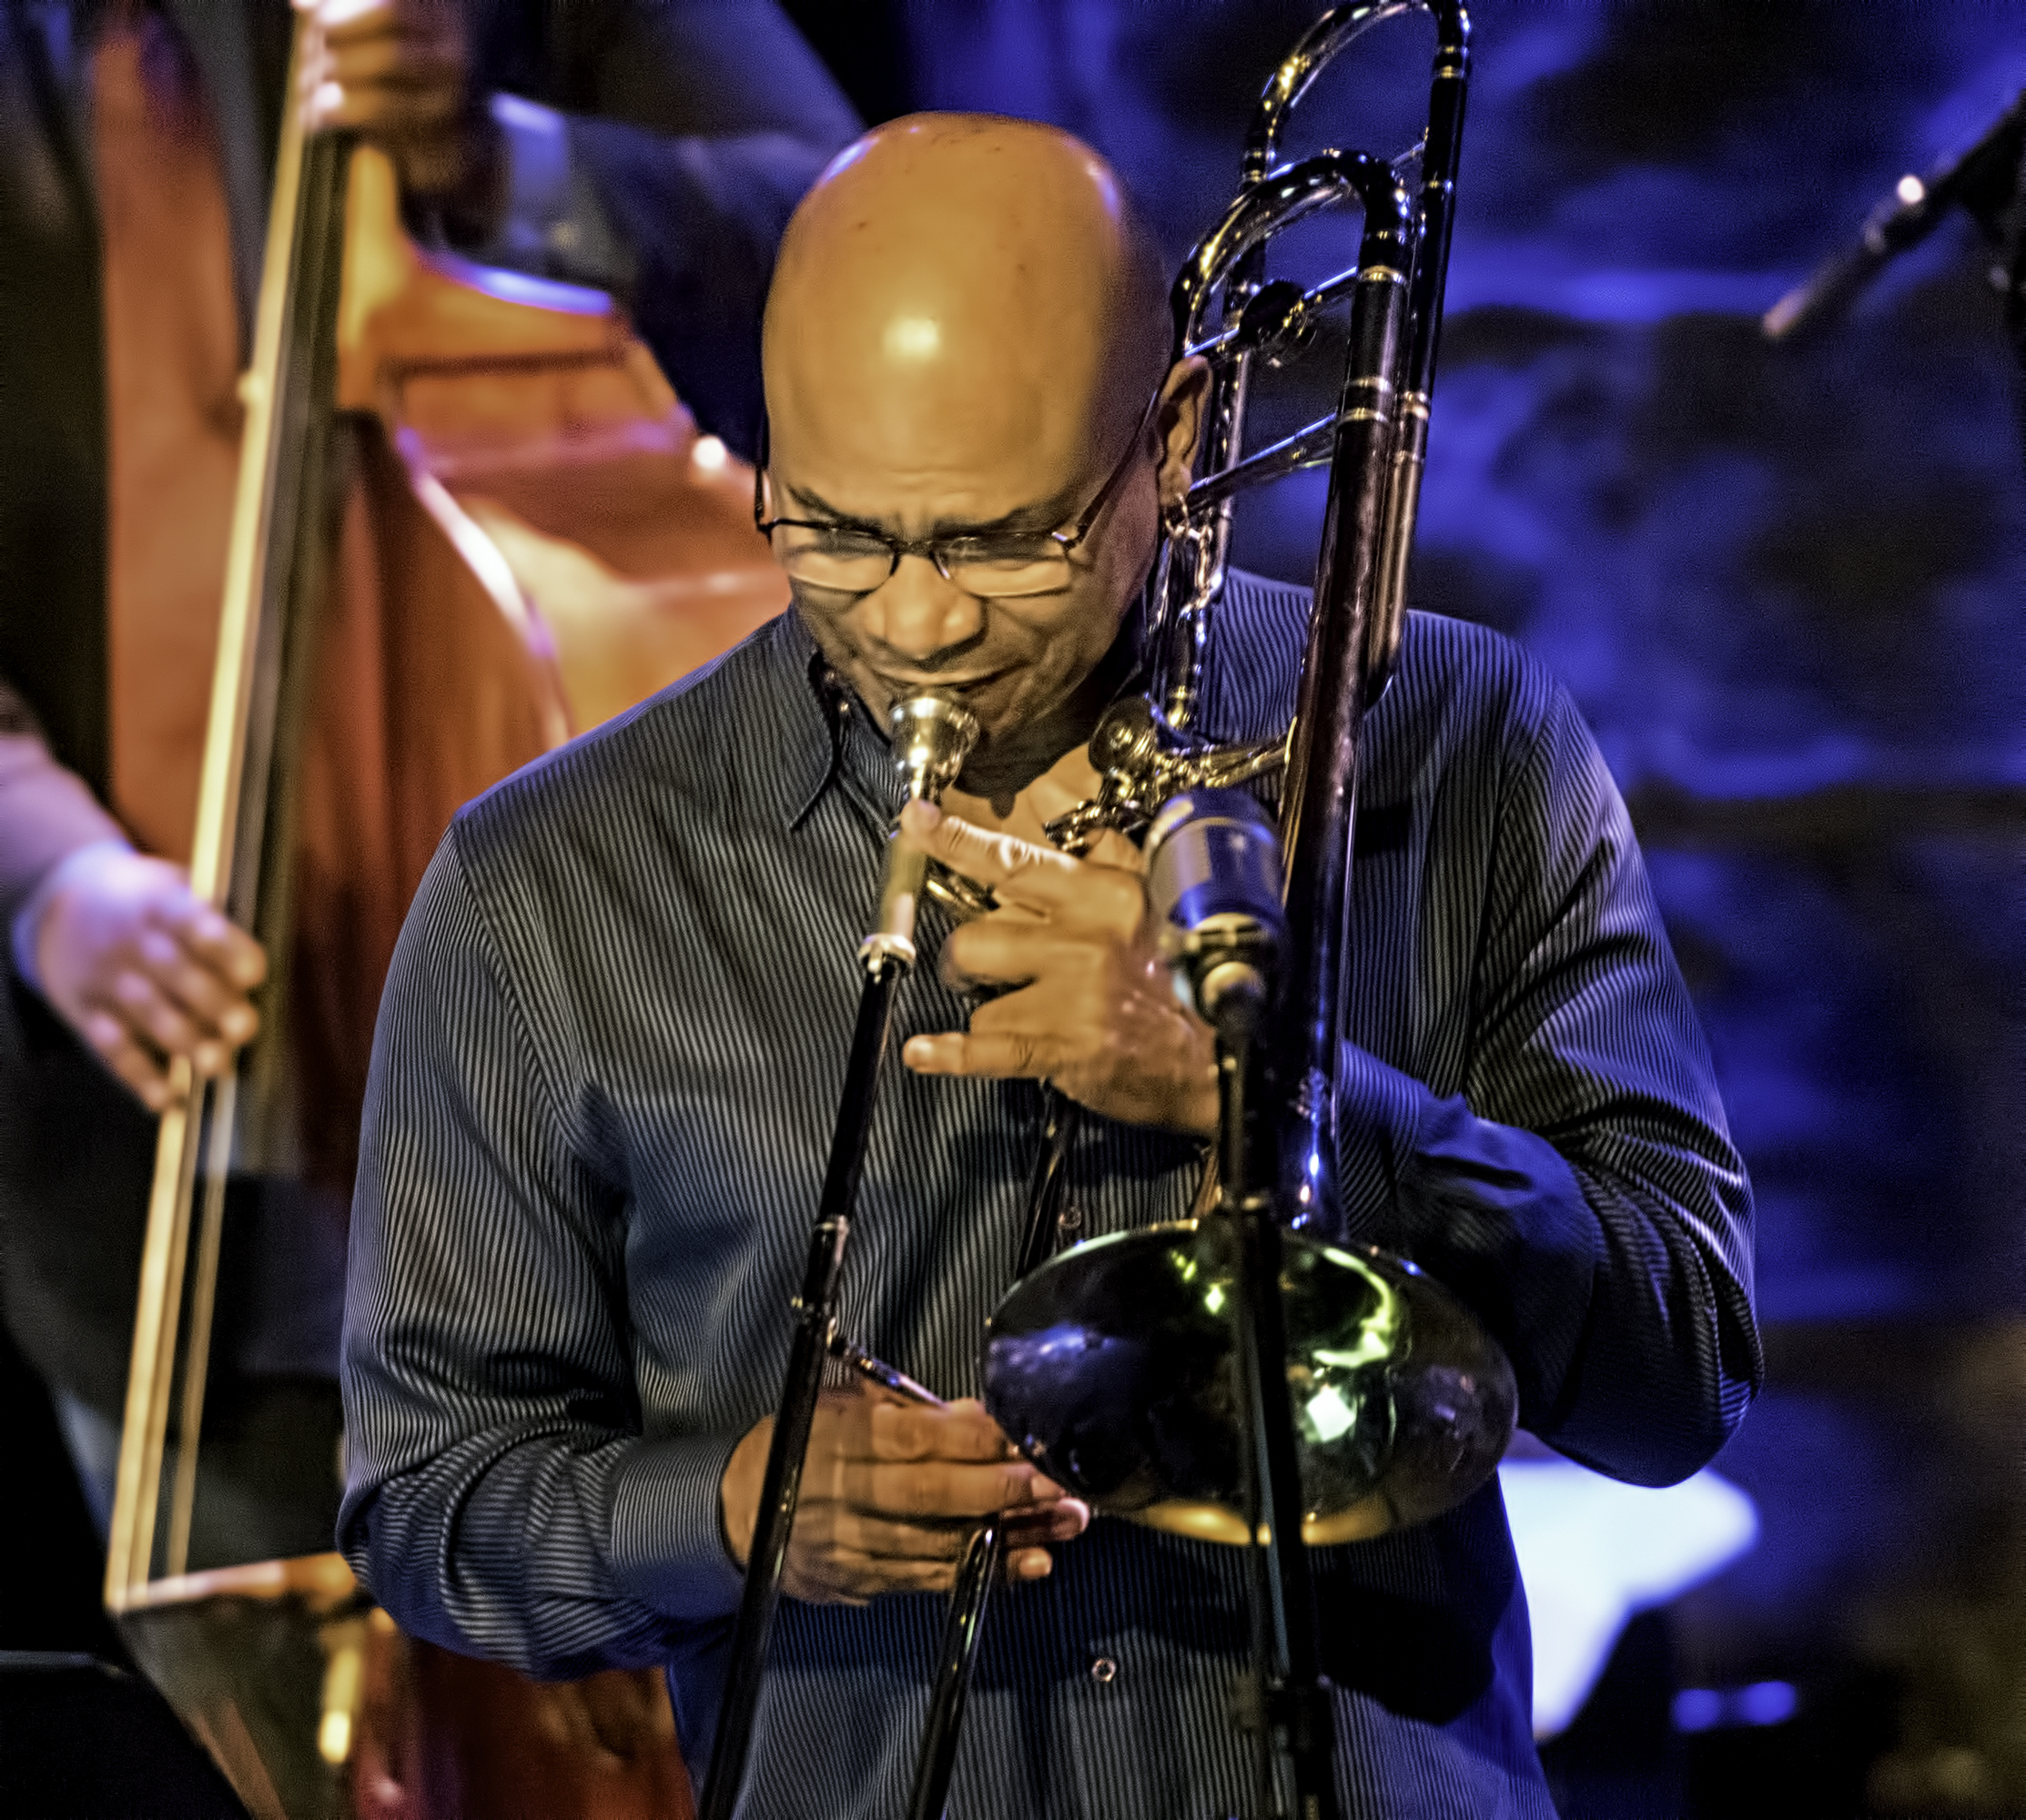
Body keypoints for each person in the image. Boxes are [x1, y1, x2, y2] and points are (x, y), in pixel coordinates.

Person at [339, 115, 1762, 1817]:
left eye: (1003, 541)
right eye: (838, 536)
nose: (916, 624)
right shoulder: (552, 884)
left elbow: (1681, 1370)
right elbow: (428, 1501)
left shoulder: (1461, 744)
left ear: (1166, 434)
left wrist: (1283, 1095)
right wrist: (736, 1506)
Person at [0, 0, 857, 1542]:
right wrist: (44, 862)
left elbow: (862, 227)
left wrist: (499, 162)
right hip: (148, 1188)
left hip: (629, 1189)